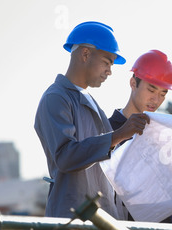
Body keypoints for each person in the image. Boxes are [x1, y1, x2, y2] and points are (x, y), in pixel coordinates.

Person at [34, 21, 150, 219]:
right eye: (107, 62)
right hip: (72, 222)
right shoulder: (56, 98)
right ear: (85, 54)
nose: (109, 71)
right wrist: (119, 135)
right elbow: (66, 157)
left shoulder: (92, 102)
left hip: (103, 220)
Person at [109, 49, 172, 223]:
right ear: (133, 83)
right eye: (151, 90)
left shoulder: (167, 138)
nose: (156, 100)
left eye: (162, 94)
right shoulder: (107, 132)